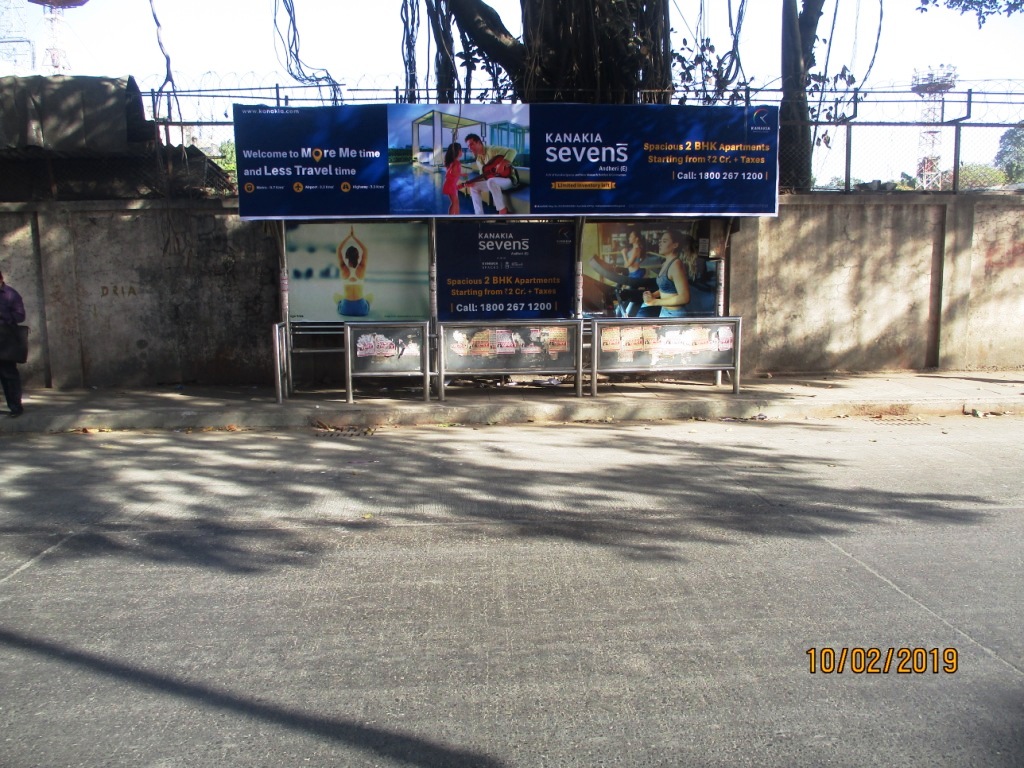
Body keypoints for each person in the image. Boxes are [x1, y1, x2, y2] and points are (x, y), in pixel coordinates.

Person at [642, 229, 695, 318]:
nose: (660, 243)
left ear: (675, 245)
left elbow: (685, 297)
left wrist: (655, 302)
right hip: (665, 311)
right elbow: (666, 288)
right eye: (660, 241)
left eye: (664, 241)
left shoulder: (676, 265)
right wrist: (653, 295)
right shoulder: (665, 263)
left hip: (675, 315)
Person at [462, 133, 516, 215]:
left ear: (479, 142)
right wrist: (472, 182)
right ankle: (479, 216)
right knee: (473, 187)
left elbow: (512, 151)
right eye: (468, 146)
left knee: (491, 181)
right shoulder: (478, 160)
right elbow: (484, 176)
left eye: (471, 144)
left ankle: (502, 211)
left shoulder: (492, 150)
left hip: (508, 179)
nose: (470, 148)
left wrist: (502, 164)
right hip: (494, 182)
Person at [0, 268, 26, 417]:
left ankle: (15, 407)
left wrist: (3, 315)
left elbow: (20, 316)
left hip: (5, 340)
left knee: (8, 375)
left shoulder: (10, 295)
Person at [442, 142, 464, 215]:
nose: (462, 152)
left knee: (455, 202)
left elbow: (451, 173)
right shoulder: (456, 163)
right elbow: (452, 173)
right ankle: (453, 218)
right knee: (455, 203)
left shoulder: (452, 162)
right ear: (457, 151)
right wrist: (462, 174)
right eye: (461, 150)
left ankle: (456, 217)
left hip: (451, 184)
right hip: (451, 185)